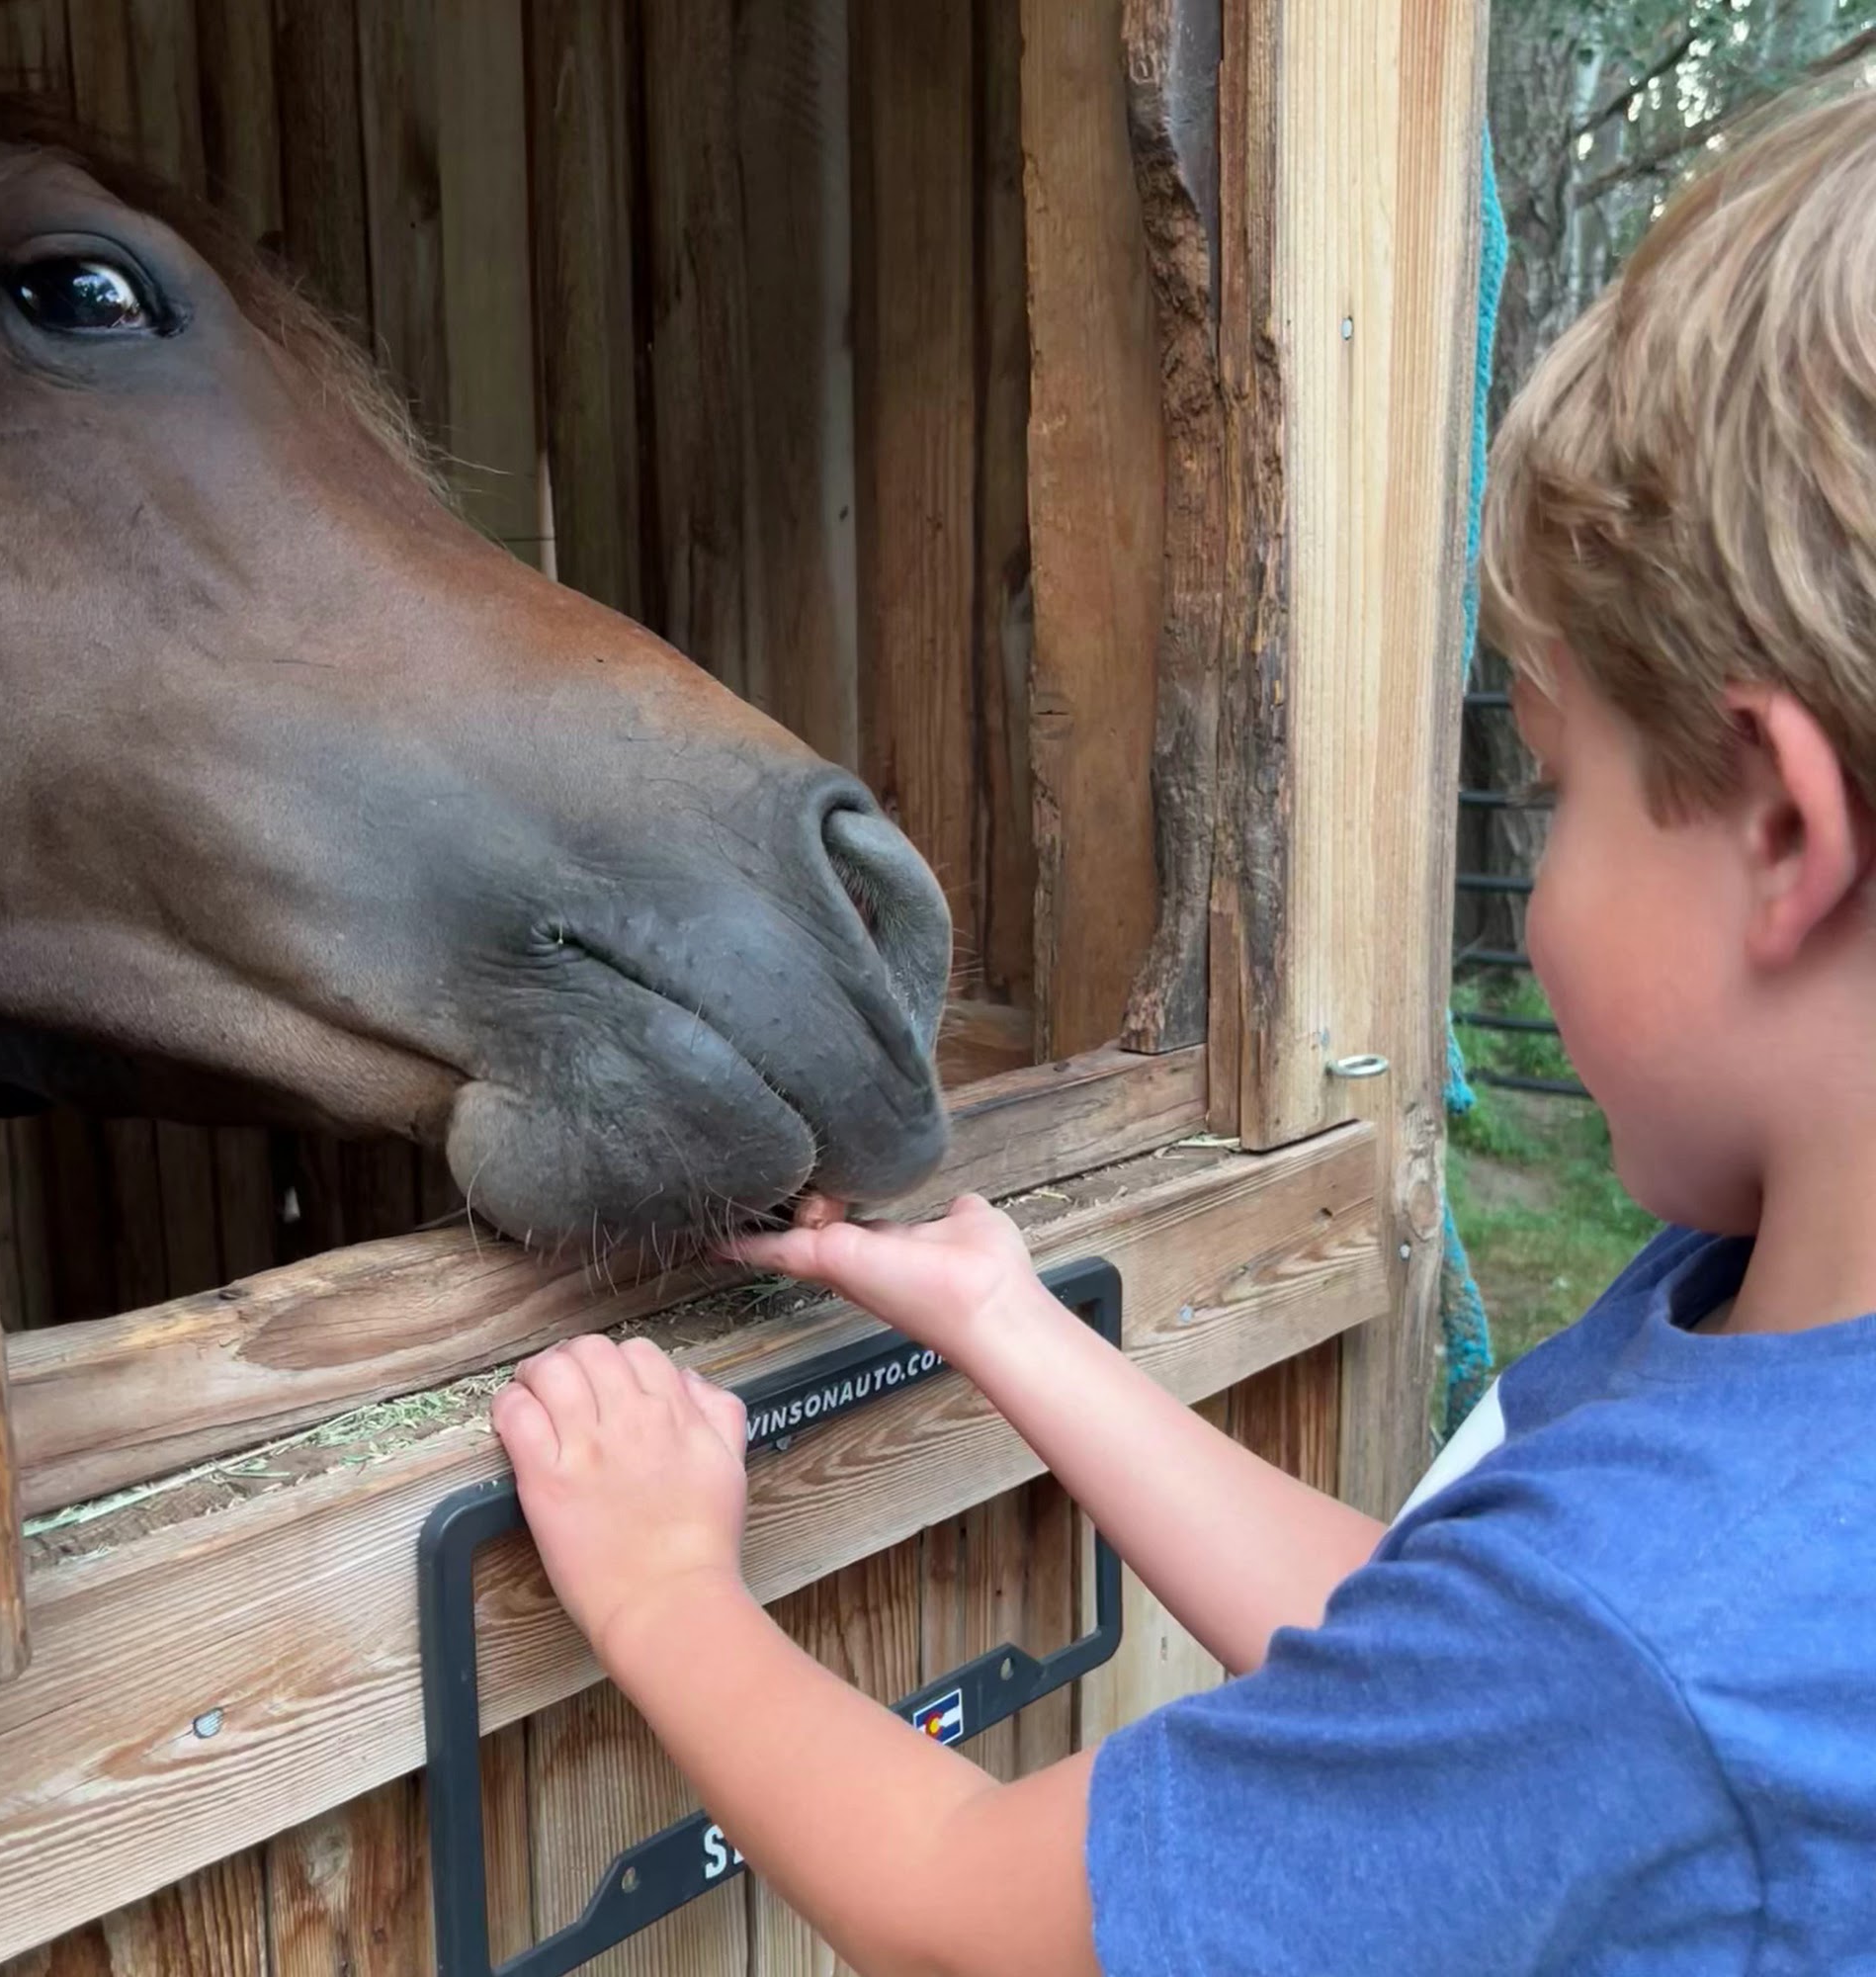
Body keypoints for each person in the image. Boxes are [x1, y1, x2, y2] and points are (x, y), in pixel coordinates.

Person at [490, 86, 1876, 1976]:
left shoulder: (1645, 1642)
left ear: (1785, 830)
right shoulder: (1760, 1388)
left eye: (1554, 792)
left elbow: (970, 1911)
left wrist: (662, 1589)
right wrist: (1006, 1318)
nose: (1538, 875)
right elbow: (1433, 1674)